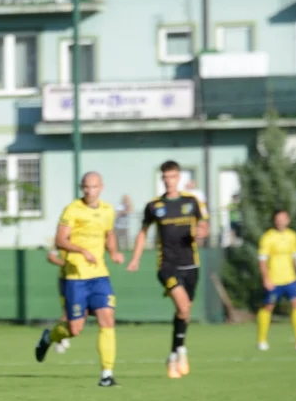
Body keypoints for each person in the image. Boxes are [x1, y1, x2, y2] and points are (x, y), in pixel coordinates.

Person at [34, 172, 124, 387]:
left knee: (107, 320)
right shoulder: (72, 209)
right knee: (74, 329)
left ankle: (107, 375)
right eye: (85, 187)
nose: (89, 191)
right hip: (76, 277)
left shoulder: (108, 210)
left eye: (93, 187)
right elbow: (60, 239)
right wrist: (81, 250)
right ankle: (48, 337)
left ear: (101, 187)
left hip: (100, 275)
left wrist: (114, 252)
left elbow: (109, 234)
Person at [126, 161, 209, 379]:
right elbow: (143, 233)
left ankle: (173, 353)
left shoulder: (192, 202)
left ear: (178, 177)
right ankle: (181, 350)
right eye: (165, 177)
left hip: (191, 264)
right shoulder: (154, 206)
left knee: (185, 312)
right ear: (162, 178)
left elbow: (204, 225)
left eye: (172, 176)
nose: (168, 180)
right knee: (182, 305)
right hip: (167, 266)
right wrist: (135, 258)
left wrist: (201, 232)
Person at [256, 210, 296, 351]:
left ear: (288, 220)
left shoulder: (292, 236)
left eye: (283, 219)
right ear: (274, 221)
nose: (280, 221)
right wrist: (266, 278)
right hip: (274, 279)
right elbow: (262, 261)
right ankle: (261, 340)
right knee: (268, 307)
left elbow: (295, 258)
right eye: (278, 219)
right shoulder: (268, 237)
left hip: (290, 279)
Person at [46, 248, 71, 354]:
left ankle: (60, 336)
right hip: (67, 280)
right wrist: (64, 264)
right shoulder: (62, 240)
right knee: (67, 312)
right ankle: (59, 339)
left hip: (86, 278)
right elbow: (51, 257)